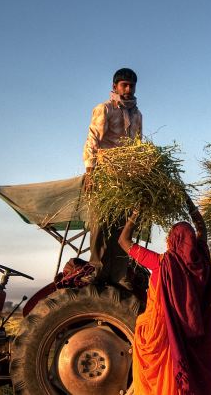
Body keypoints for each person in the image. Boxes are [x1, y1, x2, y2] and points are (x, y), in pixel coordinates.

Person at [118, 195, 211, 395]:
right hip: (194, 332)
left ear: (172, 240)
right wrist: (189, 203)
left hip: (163, 334)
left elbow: (123, 240)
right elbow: (202, 229)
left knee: (164, 378)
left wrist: (137, 211)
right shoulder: (201, 261)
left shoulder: (161, 263)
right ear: (191, 241)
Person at [83, 67, 143, 287]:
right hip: (104, 175)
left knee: (123, 226)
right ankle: (96, 270)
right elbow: (92, 140)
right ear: (115, 87)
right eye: (124, 85)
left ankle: (119, 274)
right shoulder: (105, 109)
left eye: (131, 86)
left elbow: (138, 146)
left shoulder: (137, 114)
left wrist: (139, 175)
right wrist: (90, 172)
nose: (128, 89)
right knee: (100, 223)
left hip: (126, 179)